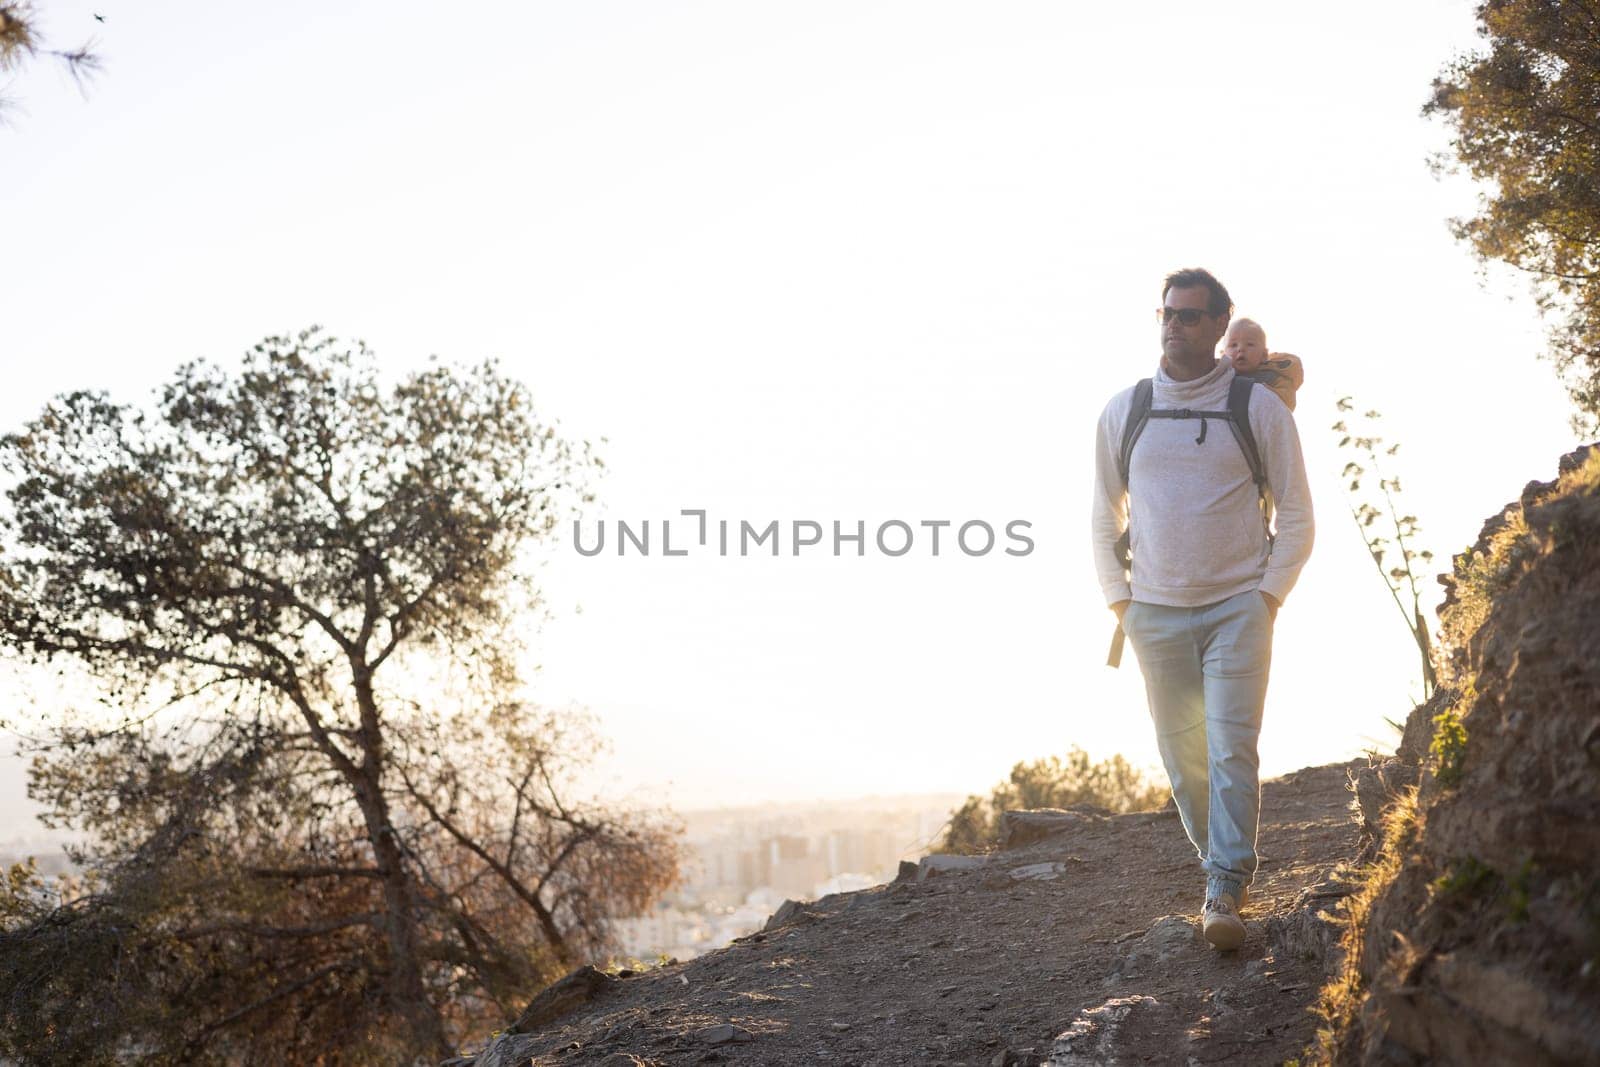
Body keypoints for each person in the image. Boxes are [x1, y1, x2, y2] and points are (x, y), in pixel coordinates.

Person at [1091, 268, 1314, 950]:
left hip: (1237, 608)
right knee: (1182, 757)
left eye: (1190, 316)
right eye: (1167, 313)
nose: (1175, 325)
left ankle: (1224, 884)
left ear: (1221, 325)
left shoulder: (1259, 409)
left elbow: (1300, 514)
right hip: (1152, 614)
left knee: (1231, 746)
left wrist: (1267, 595)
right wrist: (1122, 603)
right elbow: (1103, 515)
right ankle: (1218, 860)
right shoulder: (1125, 411)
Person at [1222, 317, 1304, 412]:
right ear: (1223, 355)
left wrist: (1265, 393)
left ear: (1264, 355)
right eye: (1233, 345)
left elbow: (1288, 403)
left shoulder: (1272, 377)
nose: (1241, 348)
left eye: (1249, 344)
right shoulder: (1218, 377)